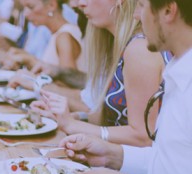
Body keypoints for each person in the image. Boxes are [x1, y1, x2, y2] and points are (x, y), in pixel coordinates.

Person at [61, 0, 192, 174]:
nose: (135, 16)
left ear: (169, 10)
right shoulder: (178, 69)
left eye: (141, 6)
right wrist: (111, 155)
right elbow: (171, 163)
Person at [34, 0, 167, 146]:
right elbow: (111, 118)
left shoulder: (139, 48)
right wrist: (73, 117)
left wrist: (73, 125)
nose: (80, 3)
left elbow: (143, 137)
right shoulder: (119, 44)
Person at [3, 0, 85, 71]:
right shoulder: (57, 34)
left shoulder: (64, 37)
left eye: (31, 7)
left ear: (51, 5)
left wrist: (30, 60)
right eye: (24, 8)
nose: (25, 14)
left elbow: (69, 82)